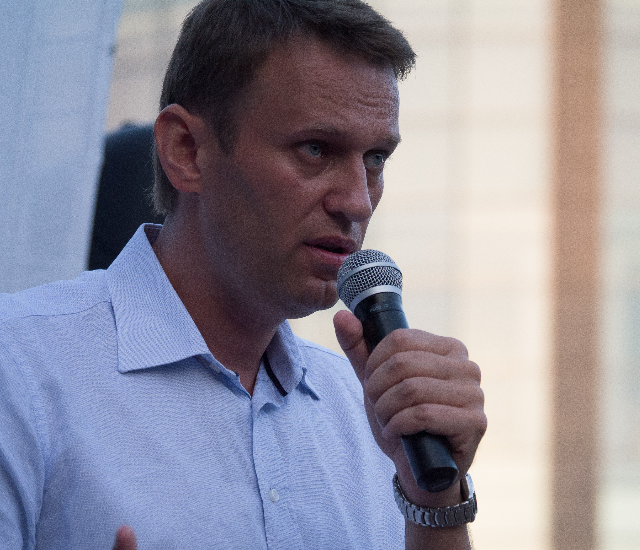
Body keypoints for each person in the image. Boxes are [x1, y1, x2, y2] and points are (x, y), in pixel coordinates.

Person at [0, 1, 487, 549]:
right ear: (186, 150)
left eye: (375, 158)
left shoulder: (372, 412)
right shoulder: (19, 371)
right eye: (315, 149)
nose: (357, 201)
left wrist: (434, 505)